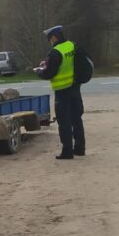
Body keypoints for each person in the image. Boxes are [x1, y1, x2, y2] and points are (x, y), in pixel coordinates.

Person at [34, 25, 86, 160]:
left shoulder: (55, 52)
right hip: (75, 88)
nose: (50, 42)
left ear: (54, 37)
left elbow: (49, 73)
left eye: (49, 39)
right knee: (76, 119)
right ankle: (80, 149)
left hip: (62, 92)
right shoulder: (72, 45)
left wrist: (40, 71)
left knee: (64, 122)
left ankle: (67, 152)